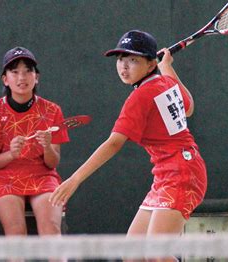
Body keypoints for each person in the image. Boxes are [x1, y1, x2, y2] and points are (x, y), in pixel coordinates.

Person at [50, 30, 207, 239]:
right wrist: (167, 67)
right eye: (121, 59)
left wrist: (75, 179)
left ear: (150, 64)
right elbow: (188, 106)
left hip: (181, 173)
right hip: (169, 173)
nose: (123, 66)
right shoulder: (164, 82)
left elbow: (114, 143)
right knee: (133, 251)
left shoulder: (140, 96)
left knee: (156, 254)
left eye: (133, 60)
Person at [0, 46, 69, 236]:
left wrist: (47, 146)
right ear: (5, 79)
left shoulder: (52, 111)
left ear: (36, 77)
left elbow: (53, 163)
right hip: (3, 180)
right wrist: (11, 154)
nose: (21, 78)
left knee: (52, 230)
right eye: (14, 72)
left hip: (43, 179)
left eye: (27, 71)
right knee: (16, 232)